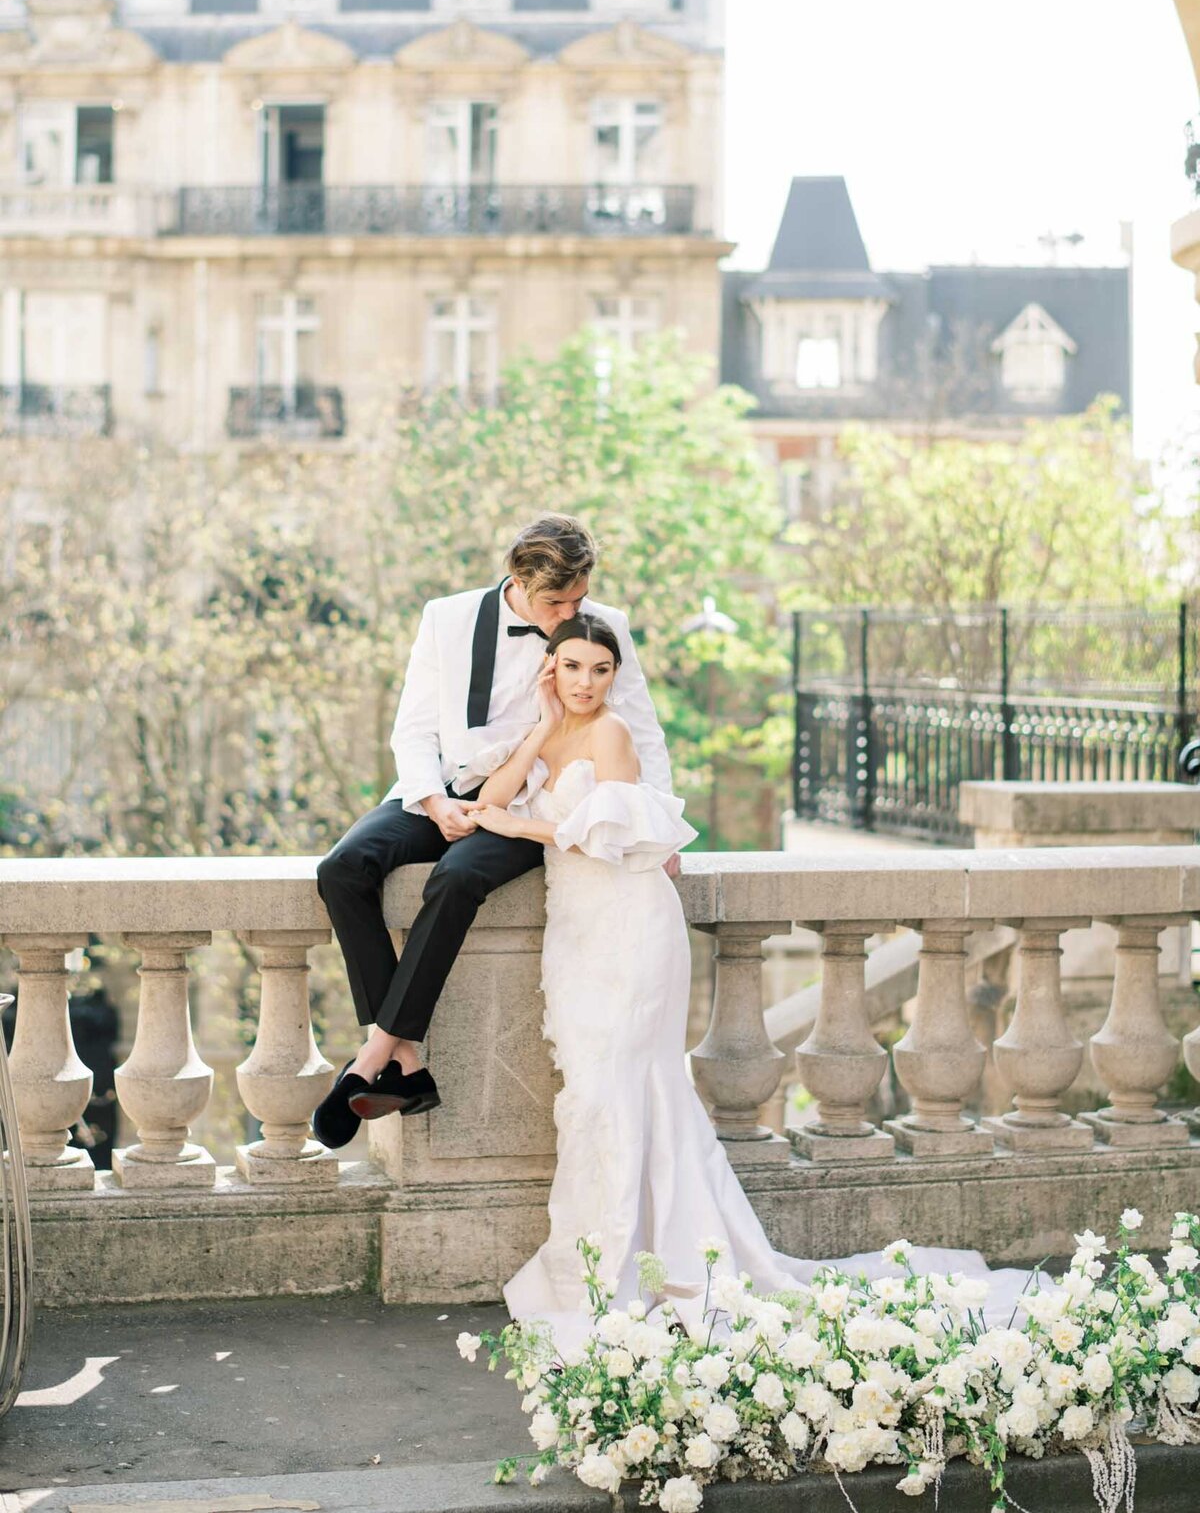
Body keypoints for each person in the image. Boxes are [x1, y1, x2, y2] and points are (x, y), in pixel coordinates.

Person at [466, 613, 1038, 1339]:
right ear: (552, 669)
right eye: (571, 667)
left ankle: (645, 1267)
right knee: (590, 1098)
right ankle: (600, 1262)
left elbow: (611, 836)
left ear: (616, 675)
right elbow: (490, 797)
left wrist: (522, 828)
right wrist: (538, 725)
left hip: (628, 928)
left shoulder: (612, 733)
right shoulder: (554, 728)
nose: (585, 683)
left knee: (628, 1090)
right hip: (574, 936)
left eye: (599, 669)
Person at [311, 514, 675, 1151]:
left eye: (578, 599)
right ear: (516, 580)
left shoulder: (603, 627)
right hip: (442, 788)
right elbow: (414, 727)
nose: (568, 613)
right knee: (341, 869)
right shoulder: (446, 618)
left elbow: (641, 729)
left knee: (457, 878)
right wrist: (432, 800)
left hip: (527, 800)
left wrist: (660, 830)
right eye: (554, 601)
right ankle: (409, 1059)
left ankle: (373, 1058)